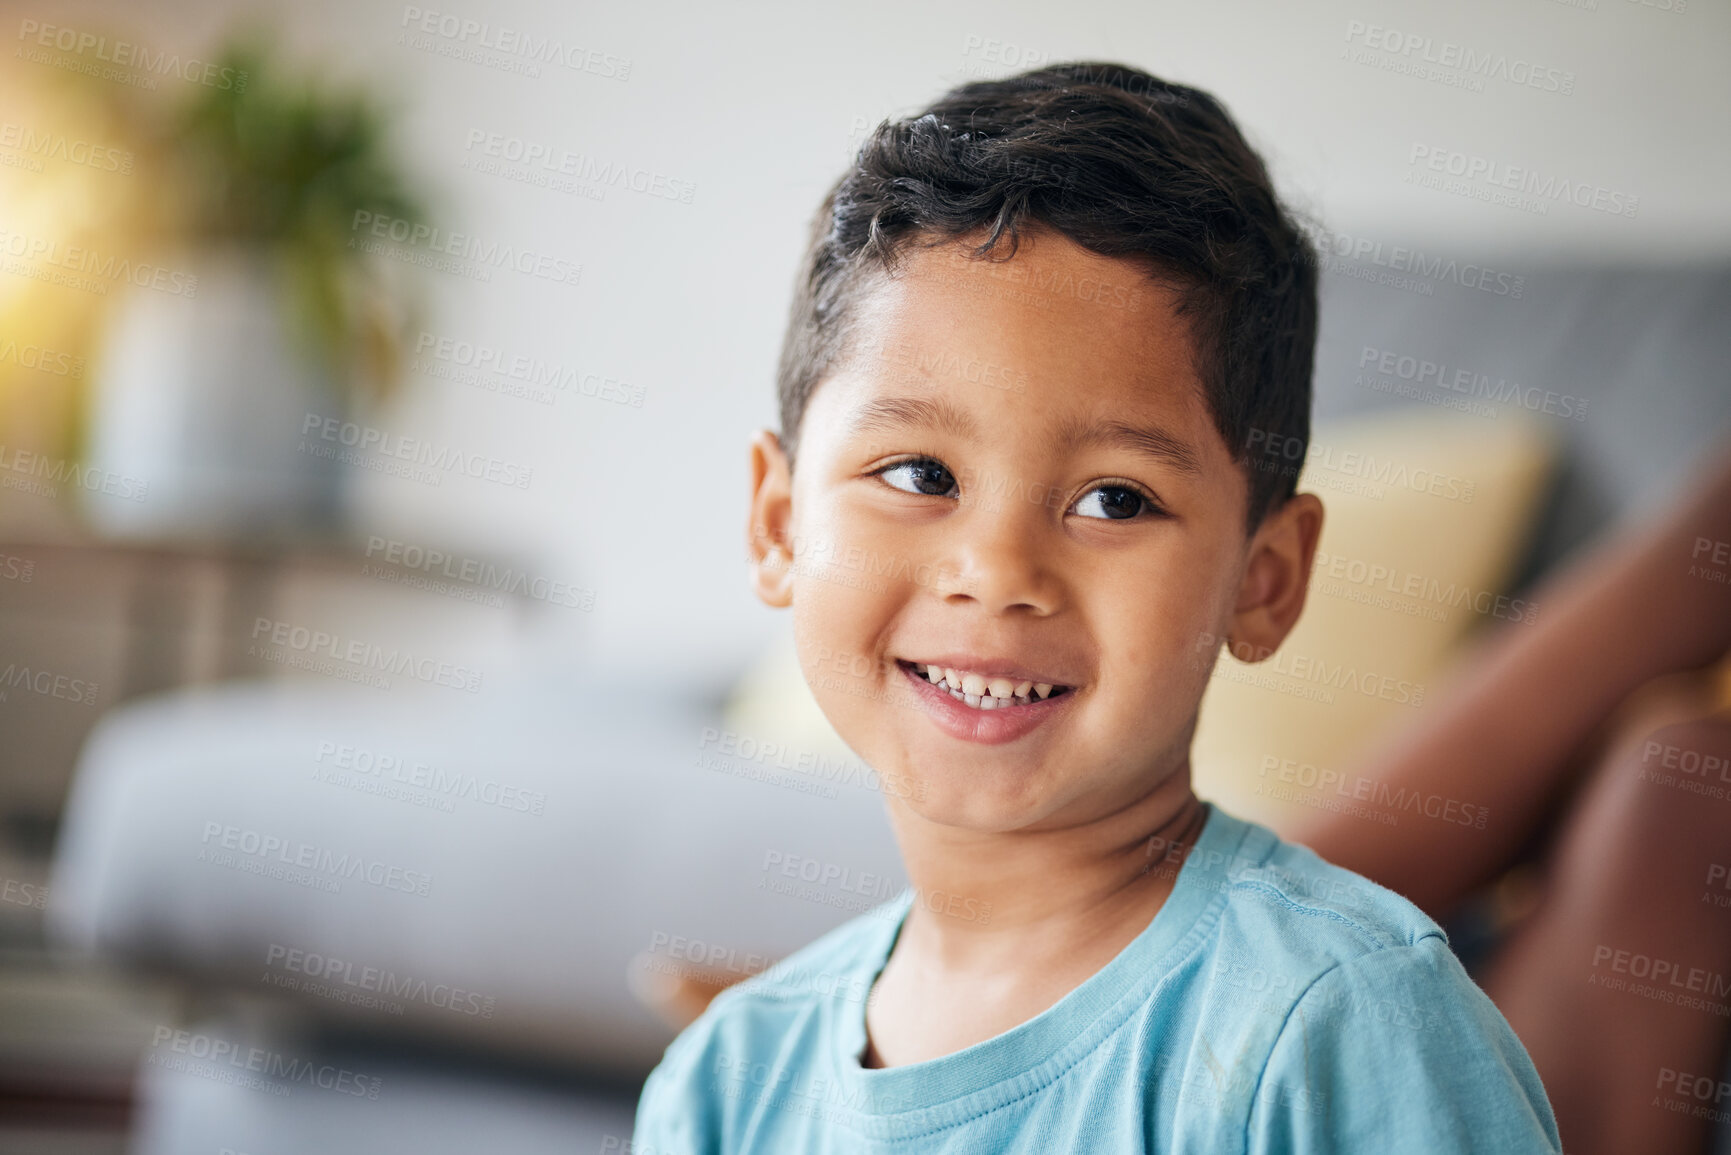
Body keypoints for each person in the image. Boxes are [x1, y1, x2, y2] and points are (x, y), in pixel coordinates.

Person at [632, 61, 1561, 1152]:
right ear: (780, 525)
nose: (997, 569)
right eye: (921, 474)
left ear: (1265, 582)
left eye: (1115, 499)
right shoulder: (724, 1084)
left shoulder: (1340, 1026)